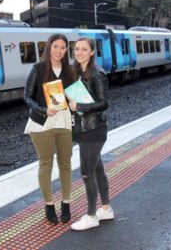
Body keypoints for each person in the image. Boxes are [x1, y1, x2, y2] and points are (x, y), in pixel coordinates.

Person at [23, 33, 75, 224]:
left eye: (63, 47)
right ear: (49, 47)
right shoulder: (37, 69)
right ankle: (49, 204)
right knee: (46, 164)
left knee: (66, 163)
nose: (59, 51)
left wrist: (76, 104)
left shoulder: (70, 71)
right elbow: (27, 97)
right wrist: (44, 109)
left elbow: (74, 95)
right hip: (42, 123)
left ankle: (66, 203)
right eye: (56, 46)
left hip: (64, 121)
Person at [68, 37, 114, 231]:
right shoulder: (77, 72)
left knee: (87, 173)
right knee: (97, 170)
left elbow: (104, 103)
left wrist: (79, 106)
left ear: (92, 52)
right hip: (83, 128)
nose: (79, 53)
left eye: (84, 49)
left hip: (94, 130)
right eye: (77, 49)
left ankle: (91, 215)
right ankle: (106, 208)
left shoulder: (97, 74)